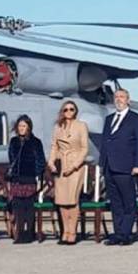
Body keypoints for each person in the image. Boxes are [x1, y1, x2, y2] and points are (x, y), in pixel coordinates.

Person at [98, 89, 138, 246]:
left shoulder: (136, 119)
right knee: (116, 203)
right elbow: (105, 143)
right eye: (116, 97)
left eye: (122, 97)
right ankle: (118, 233)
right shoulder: (109, 119)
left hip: (126, 167)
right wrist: (101, 165)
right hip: (109, 167)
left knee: (128, 202)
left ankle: (126, 233)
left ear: (128, 100)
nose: (118, 99)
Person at [48, 99, 89, 245]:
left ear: (75, 111)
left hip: (75, 166)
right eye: (66, 110)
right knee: (61, 201)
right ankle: (64, 231)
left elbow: (85, 148)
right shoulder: (57, 127)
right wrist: (51, 162)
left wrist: (75, 165)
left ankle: (73, 231)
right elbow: (54, 146)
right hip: (61, 165)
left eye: (71, 109)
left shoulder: (81, 126)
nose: (69, 112)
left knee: (72, 200)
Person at [7, 115, 46, 244]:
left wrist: (35, 172)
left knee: (28, 207)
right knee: (18, 207)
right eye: (19, 126)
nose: (21, 129)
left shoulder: (36, 142)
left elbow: (41, 160)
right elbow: (11, 158)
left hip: (29, 178)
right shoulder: (13, 142)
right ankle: (19, 234)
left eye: (24, 126)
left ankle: (29, 233)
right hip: (17, 178)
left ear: (29, 127)